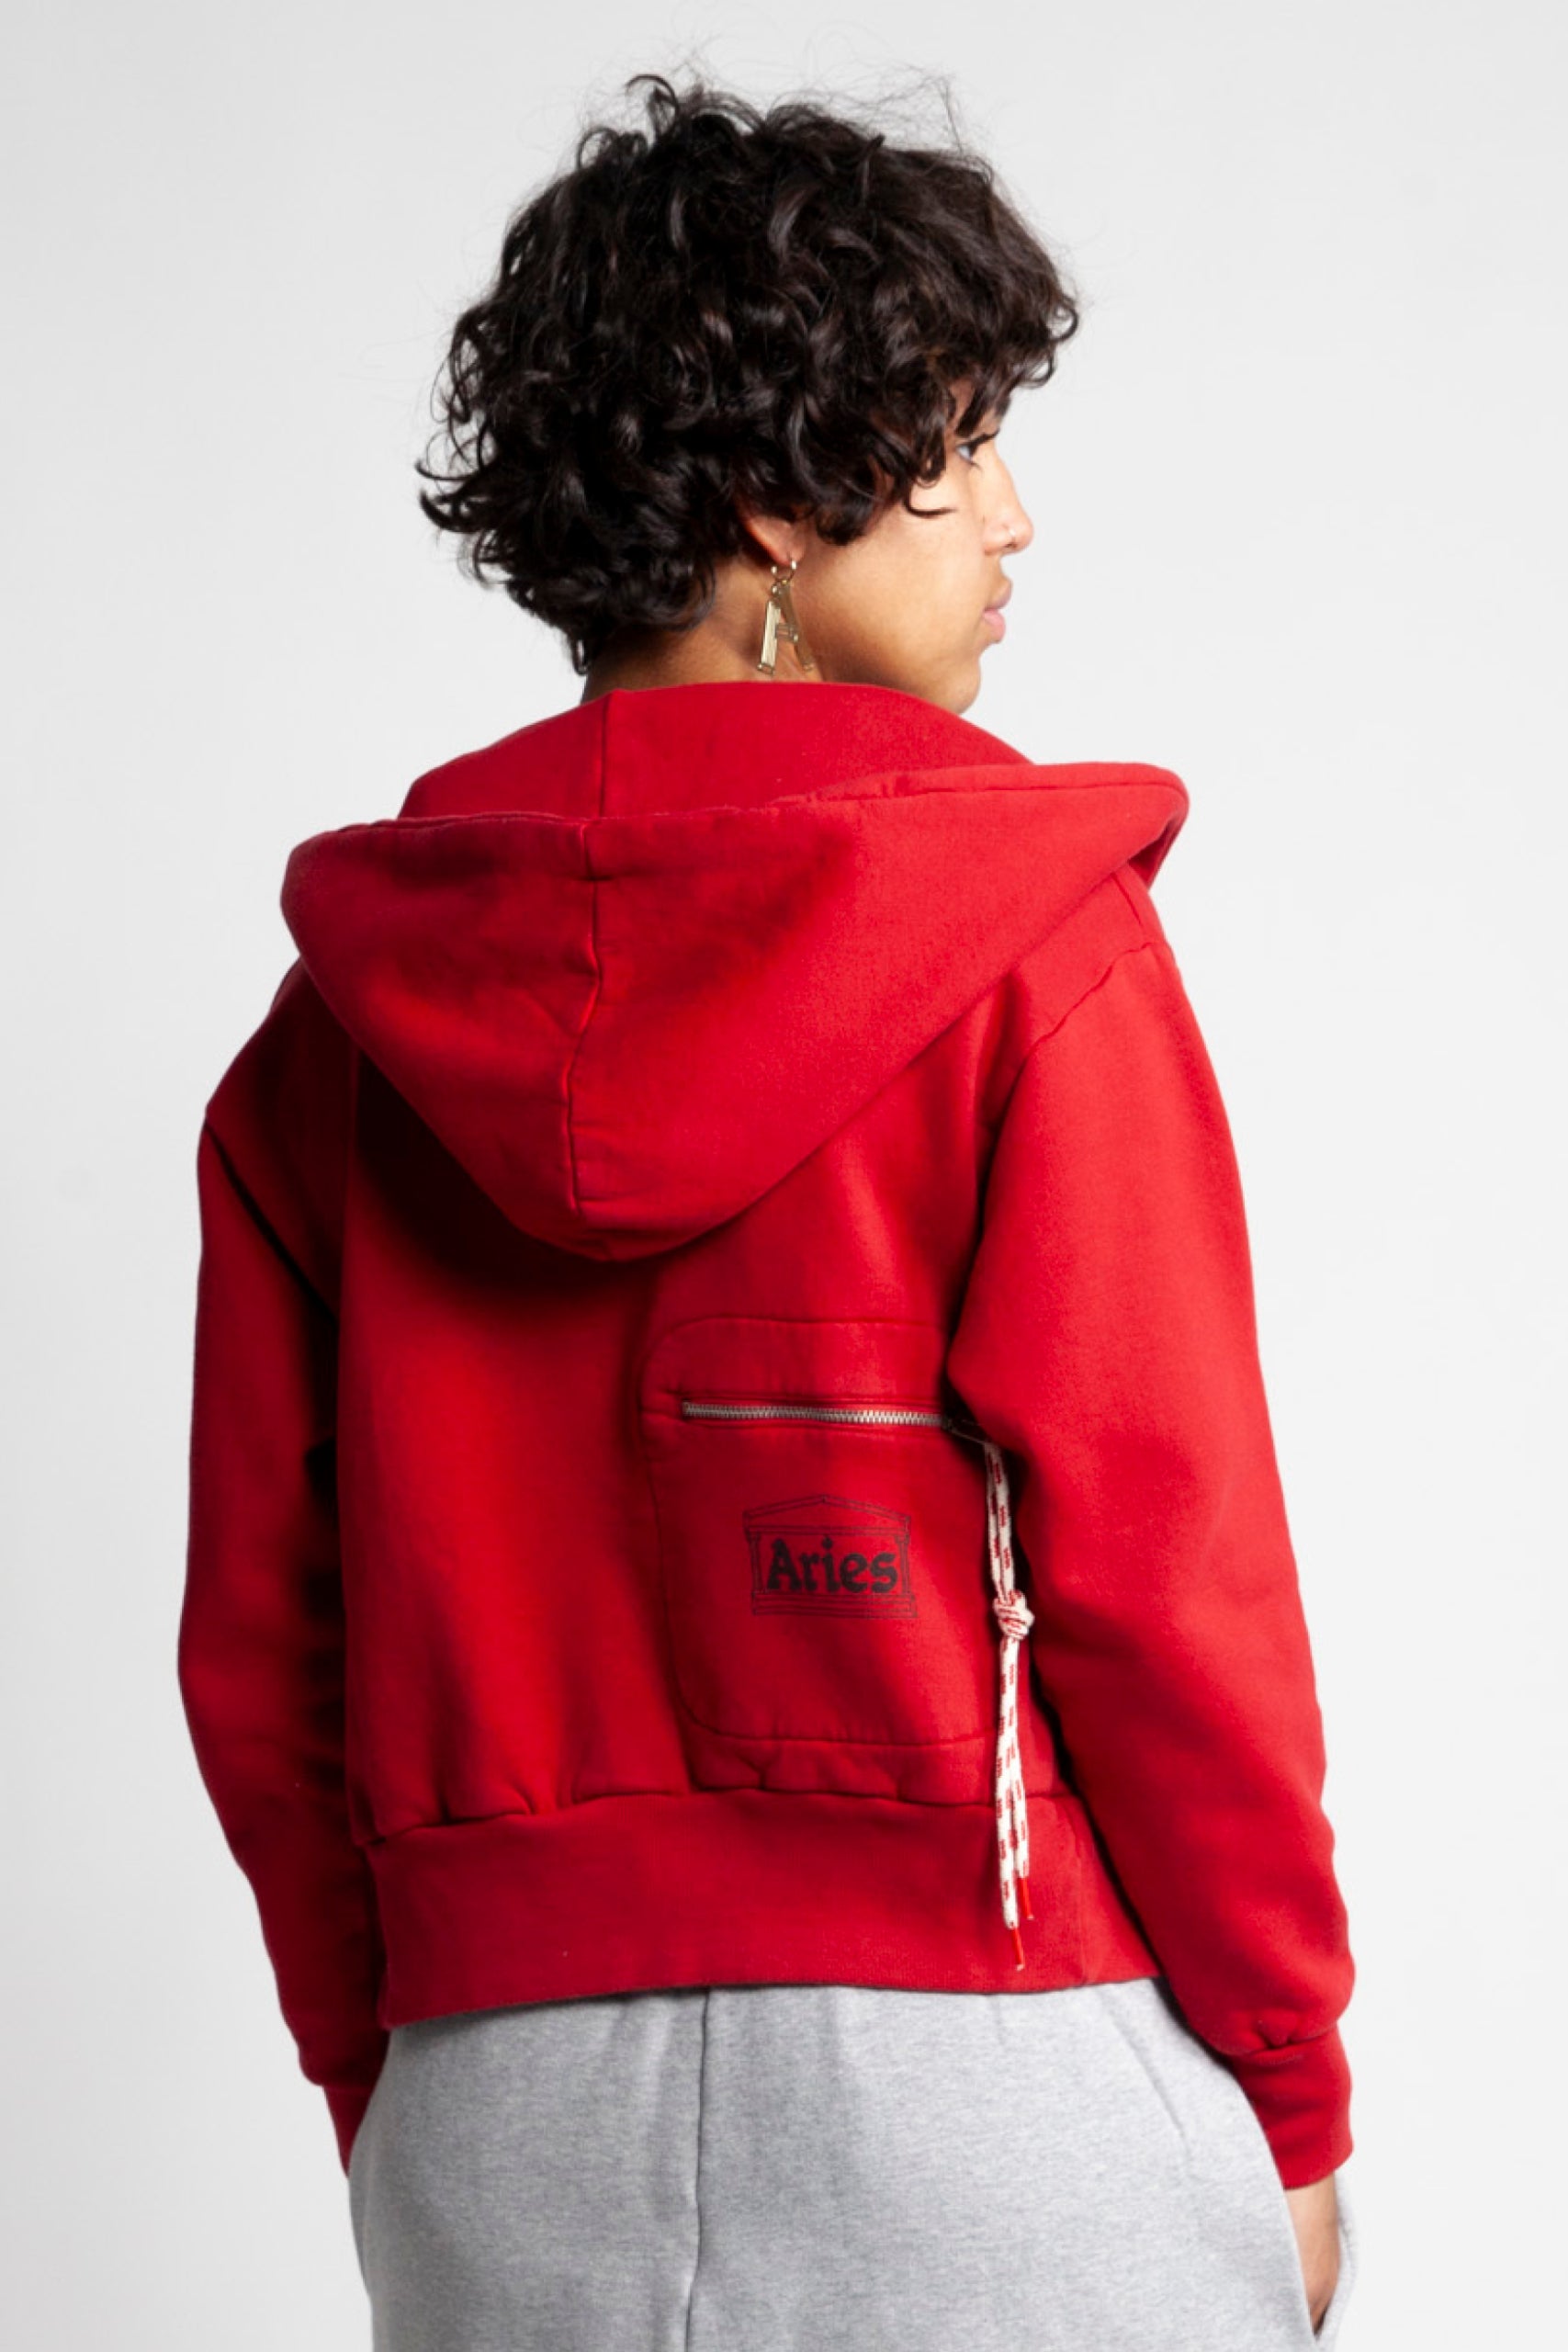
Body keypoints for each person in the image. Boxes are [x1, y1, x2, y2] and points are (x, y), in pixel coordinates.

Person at [176, 69, 1359, 2350]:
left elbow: (260, 1649)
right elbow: (1164, 1573)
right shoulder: (1034, 948)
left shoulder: (337, 1041)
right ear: (774, 505)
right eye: (956, 445)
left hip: (501, 2120)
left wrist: (396, 2076)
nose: (1009, 516)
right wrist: (1289, 2097)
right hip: (999, 2078)